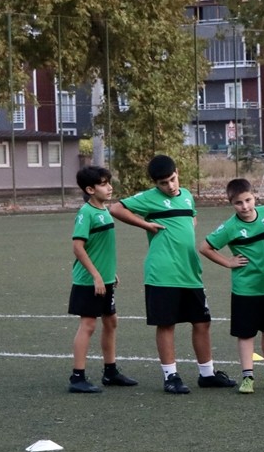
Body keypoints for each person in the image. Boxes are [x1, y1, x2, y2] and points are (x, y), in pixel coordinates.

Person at [109, 154, 236, 394]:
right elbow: (115, 208)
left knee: (202, 322)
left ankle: (207, 374)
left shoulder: (187, 196)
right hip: (162, 273)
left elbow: (192, 218)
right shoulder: (149, 198)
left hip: (190, 272)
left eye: (172, 179)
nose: (169, 186)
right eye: (163, 183)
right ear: (155, 184)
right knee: (167, 324)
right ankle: (171, 376)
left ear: (177, 173)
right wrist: (146, 225)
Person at [199, 178, 264, 395]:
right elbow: (205, 247)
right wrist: (228, 262)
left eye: (248, 200)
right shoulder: (230, 227)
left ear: (254, 197)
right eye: (239, 203)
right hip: (245, 290)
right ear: (231, 203)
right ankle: (247, 377)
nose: (245, 206)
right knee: (246, 335)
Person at [66, 165, 138, 393]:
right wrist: (96, 275)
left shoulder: (104, 210)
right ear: (90, 189)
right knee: (88, 325)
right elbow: (78, 248)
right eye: (104, 184)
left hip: (105, 279)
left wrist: (109, 273)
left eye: (109, 182)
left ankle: (110, 372)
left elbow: (102, 248)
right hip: (88, 281)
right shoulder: (85, 213)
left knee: (111, 321)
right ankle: (77, 378)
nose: (109, 187)